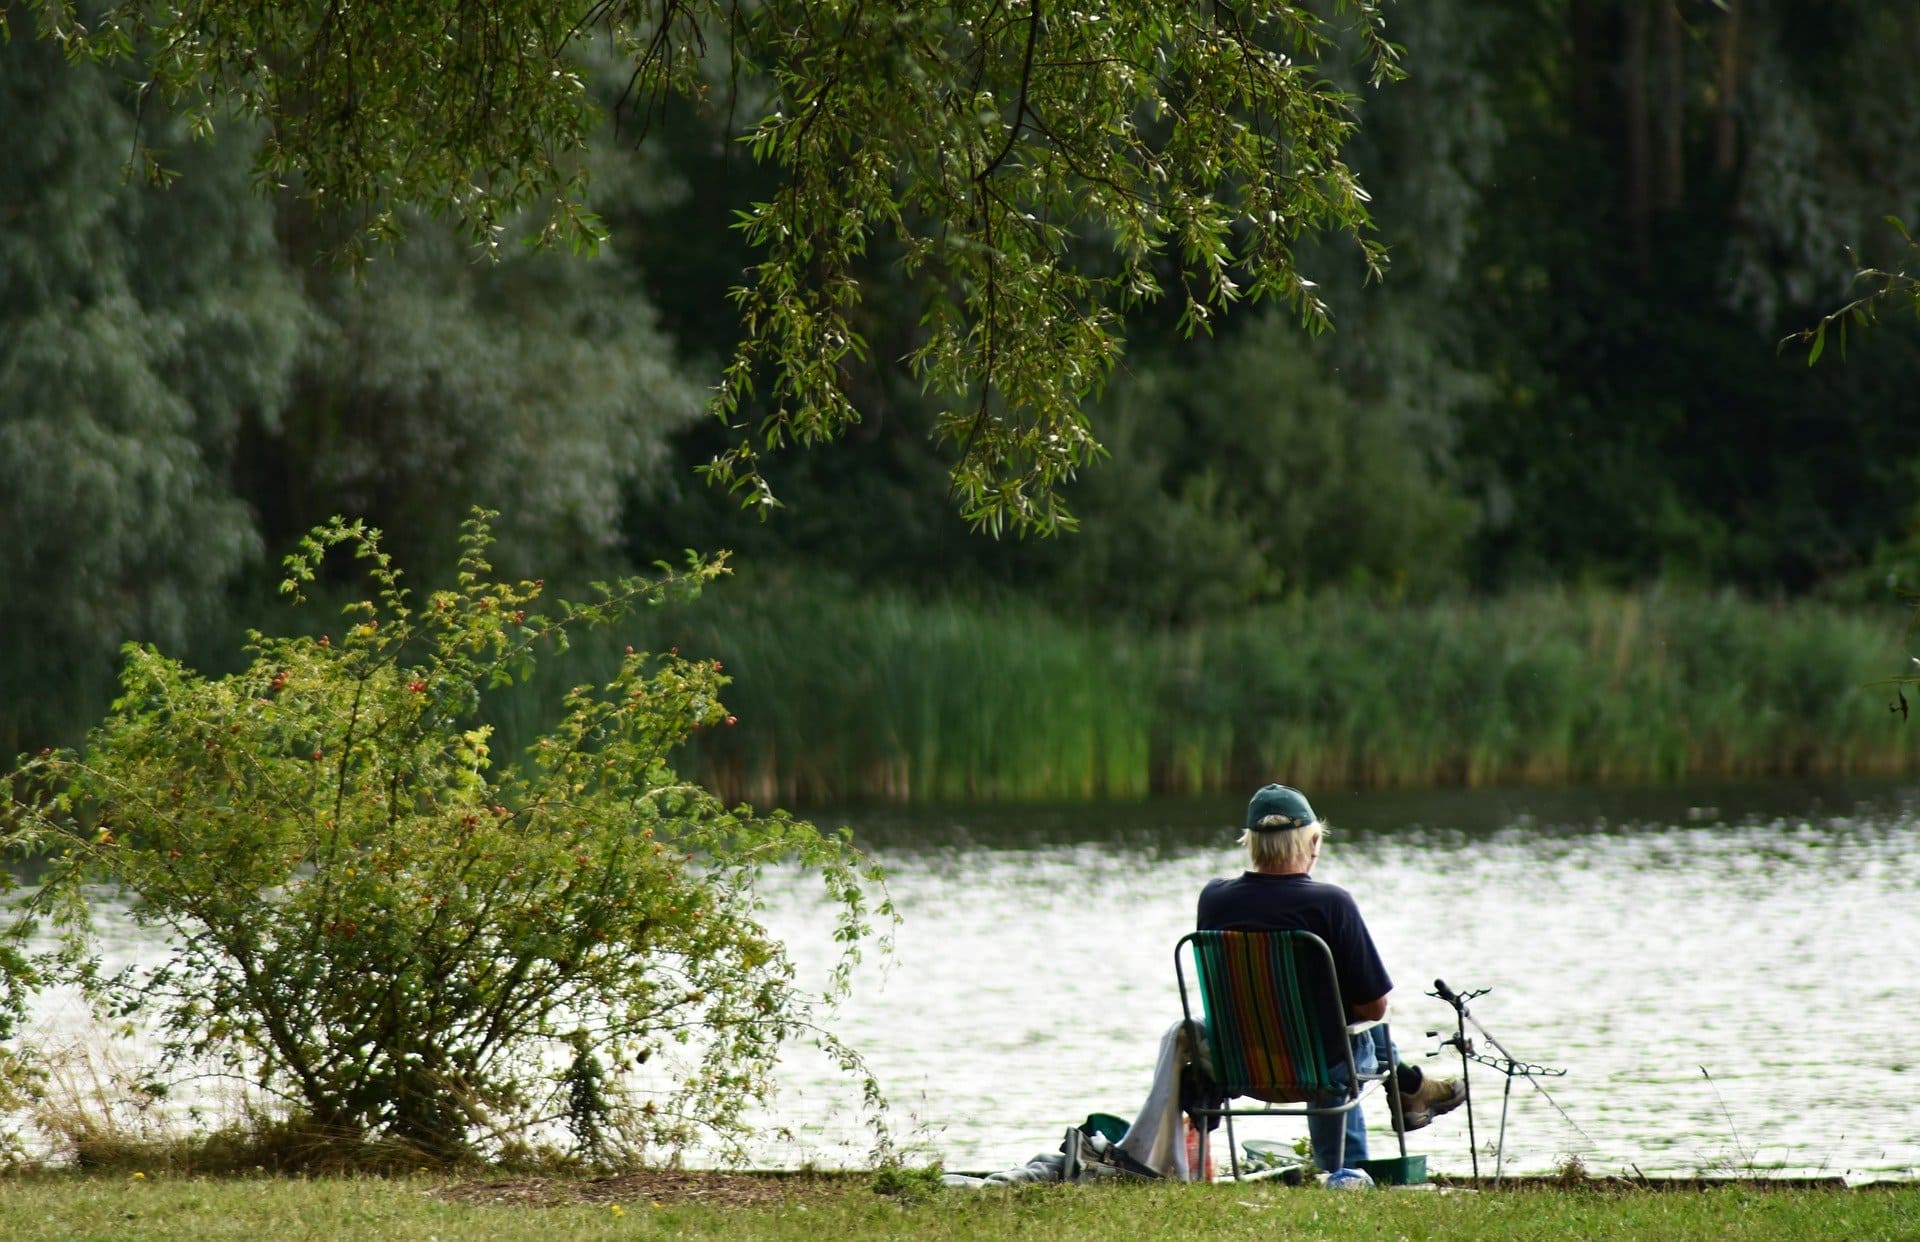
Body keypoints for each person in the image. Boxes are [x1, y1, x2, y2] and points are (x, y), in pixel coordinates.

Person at [1195, 782, 1464, 1174]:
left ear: (1249, 842)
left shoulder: (1213, 898)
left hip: (1238, 1064)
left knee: (1340, 1030)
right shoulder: (1331, 903)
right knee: (1360, 1032)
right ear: (1314, 842)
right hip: (1317, 1069)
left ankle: (1411, 1089)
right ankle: (1351, 1164)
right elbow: (1374, 1007)